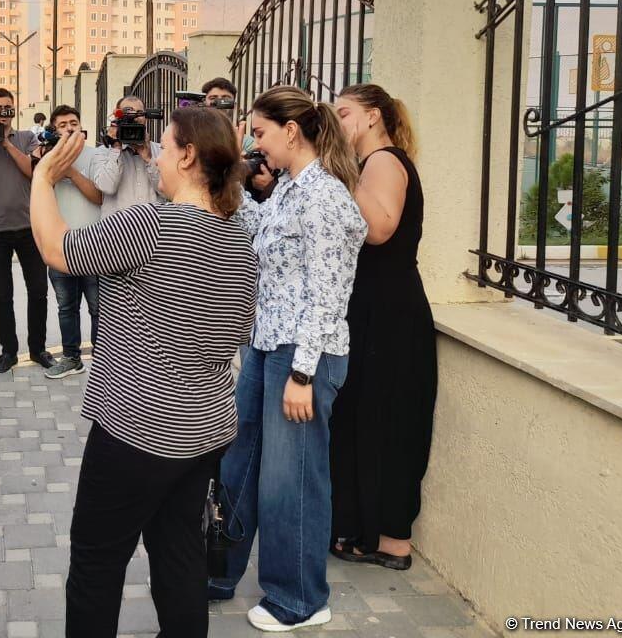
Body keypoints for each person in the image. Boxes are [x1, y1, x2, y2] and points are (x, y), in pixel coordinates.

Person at [30, 106, 257, 637]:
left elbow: (55, 247)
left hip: (137, 431)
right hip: (202, 431)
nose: (156, 154)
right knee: (179, 556)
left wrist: (44, 177)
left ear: (189, 154)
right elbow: (234, 333)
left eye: (165, 144)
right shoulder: (238, 238)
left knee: (96, 562)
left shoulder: (151, 224)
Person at [211, 85, 368, 632]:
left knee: (291, 479)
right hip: (264, 343)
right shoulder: (286, 190)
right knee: (239, 462)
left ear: (291, 132)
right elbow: (255, 236)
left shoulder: (324, 196)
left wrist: (302, 373)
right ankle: (219, 570)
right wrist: (230, 181)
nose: (258, 145)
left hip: (304, 355)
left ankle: (299, 599)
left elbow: (329, 294)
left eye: (259, 133)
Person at [329, 84, 436, 571]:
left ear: (373, 117)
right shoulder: (371, 165)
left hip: (389, 315)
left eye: (344, 112)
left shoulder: (384, 162)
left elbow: (379, 227)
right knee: (366, 420)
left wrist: (338, 171)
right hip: (376, 310)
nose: (338, 120)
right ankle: (369, 532)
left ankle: (390, 540)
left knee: (386, 422)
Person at [0, 87, 53, 373]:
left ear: (14, 110)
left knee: (38, 291)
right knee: (2, 294)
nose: (2, 113)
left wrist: (5, 142)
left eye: (7, 108)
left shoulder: (27, 138)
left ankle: (38, 349)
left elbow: (33, 171)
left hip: (30, 225)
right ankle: (9, 351)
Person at [34, 105, 102, 379]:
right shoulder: (45, 160)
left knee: (99, 306)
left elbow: (98, 197)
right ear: (53, 129)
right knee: (66, 308)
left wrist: (71, 171)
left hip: (94, 242)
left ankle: (103, 358)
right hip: (62, 246)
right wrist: (47, 162)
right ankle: (72, 357)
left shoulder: (95, 155)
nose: (70, 128)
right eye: (62, 124)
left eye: (74, 122)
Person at [89, 94, 165, 217]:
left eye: (139, 113)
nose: (134, 117)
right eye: (128, 112)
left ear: (146, 118)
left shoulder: (160, 151)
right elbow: (107, 187)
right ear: (116, 117)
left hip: (152, 231)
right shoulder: (103, 152)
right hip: (117, 232)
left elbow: (166, 191)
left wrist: (148, 159)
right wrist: (116, 148)